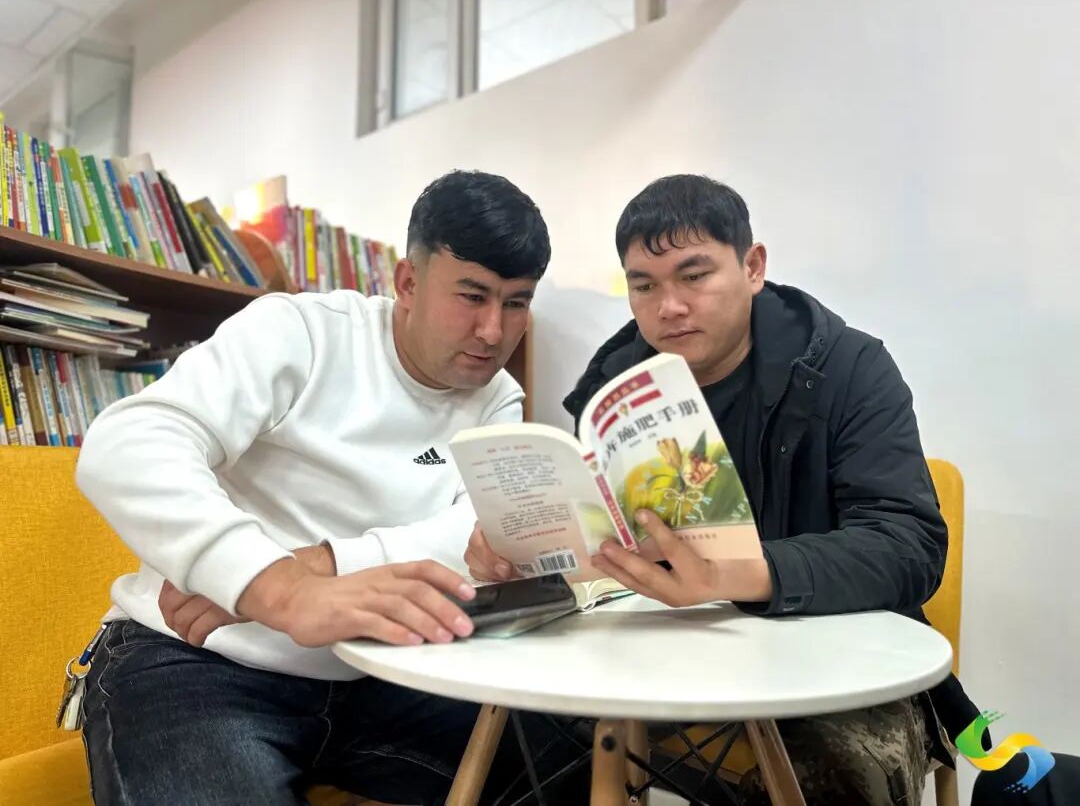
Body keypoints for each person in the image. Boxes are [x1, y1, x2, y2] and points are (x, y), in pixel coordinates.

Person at [466, 174, 981, 804]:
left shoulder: (847, 369)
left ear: (753, 267)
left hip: (835, 656)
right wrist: (528, 552)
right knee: (516, 733)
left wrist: (736, 576)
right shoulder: (615, 387)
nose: (669, 307)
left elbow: (908, 545)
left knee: (841, 775)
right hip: (666, 648)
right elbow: (608, 549)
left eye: (695, 275)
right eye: (644, 285)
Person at [75, 170, 556, 806]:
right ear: (408, 283)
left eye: (516, 303)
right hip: (198, 658)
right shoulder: (301, 332)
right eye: (472, 296)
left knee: (574, 765)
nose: (493, 331)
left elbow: (469, 540)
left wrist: (317, 566)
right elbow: (126, 443)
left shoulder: (498, 401)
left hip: (379, 672)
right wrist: (275, 588)